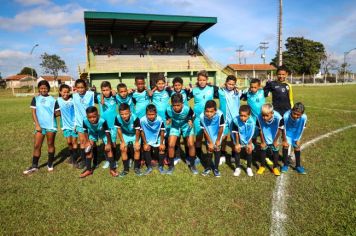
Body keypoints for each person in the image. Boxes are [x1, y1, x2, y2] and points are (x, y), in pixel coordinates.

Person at [23, 80, 60, 174]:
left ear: (48, 88)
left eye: (45, 88)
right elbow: (33, 113)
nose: (43, 90)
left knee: (50, 144)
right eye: (41, 88)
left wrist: (58, 112)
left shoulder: (53, 100)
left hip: (51, 126)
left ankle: (50, 164)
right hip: (40, 126)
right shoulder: (35, 99)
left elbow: (57, 113)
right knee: (36, 145)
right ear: (39, 89)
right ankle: (34, 166)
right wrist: (37, 125)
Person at [190, 70, 219, 167]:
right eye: (200, 80)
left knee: (209, 138)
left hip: (209, 118)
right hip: (198, 118)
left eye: (203, 80)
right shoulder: (194, 90)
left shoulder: (212, 89)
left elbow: (225, 91)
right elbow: (184, 98)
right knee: (198, 138)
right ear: (197, 80)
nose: (202, 82)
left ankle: (209, 157)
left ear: (207, 80)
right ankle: (198, 156)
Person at [80, 106, 118, 178]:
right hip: (93, 133)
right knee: (88, 149)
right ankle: (89, 170)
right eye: (90, 117)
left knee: (109, 149)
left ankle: (112, 169)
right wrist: (87, 141)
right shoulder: (85, 120)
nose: (92, 119)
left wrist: (108, 144)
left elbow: (107, 132)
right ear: (87, 116)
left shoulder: (102, 121)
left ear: (97, 114)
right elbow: (85, 131)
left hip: (103, 133)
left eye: (94, 117)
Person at [166, 93, 197, 174]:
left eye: (178, 105)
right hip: (175, 126)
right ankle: (171, 166)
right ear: (171, 104)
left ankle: (193, 165)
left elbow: (193, 115)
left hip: (186, 126)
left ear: (182, 104)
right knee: (171, 145)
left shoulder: (187, 109)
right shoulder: (169, 109)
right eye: (174, 105)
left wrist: (191, 120)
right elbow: (167, 116)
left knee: (191, 144)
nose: (176, 107)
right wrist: (168, 120)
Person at [72, 79, 95, 169]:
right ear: (75, 88)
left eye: (82, 87)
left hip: (89, 122)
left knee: (89, 142)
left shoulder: (91, 94)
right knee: (82, 142)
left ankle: (92, 159)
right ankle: (84, 160)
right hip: (79, 122)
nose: (80, 89)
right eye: (78, 88)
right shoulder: (73, 96)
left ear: (85, 87)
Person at [115, 103, 142, 177]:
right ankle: (126, 169)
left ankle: (136, 168)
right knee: (123, 148)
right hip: (125, 135)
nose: (124, 116)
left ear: (130, 112)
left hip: (134, 135)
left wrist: (136, 142)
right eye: (122, 114)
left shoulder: (135, 118)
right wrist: (123, 142)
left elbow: (137, 131)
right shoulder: (117, 118)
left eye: (126, 114)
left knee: (137, 148)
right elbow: (119, 130)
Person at [256, 103, 284, 176]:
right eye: (263, 115)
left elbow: (279, 130)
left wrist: (275, 141)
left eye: (266, 115)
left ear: (272, 113)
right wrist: (263, 141)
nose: (264, 117)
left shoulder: (279, 118)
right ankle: (262, 166)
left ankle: (275, 167)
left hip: (275, 136)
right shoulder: (259, 117)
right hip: (264, 135)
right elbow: (260, 130)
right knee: (263, 148)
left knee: (275, 150)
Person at [218, 75, 241, 160]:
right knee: (223, 137)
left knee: (233, 137)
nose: (231, 86)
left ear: (235, 85)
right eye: (229, 84)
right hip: (224, 118)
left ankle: (233, 154)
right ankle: (222, 154)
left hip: (234, 119)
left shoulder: (237, 93)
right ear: (226, 83)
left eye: (232, 84)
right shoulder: (221, 91)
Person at [200, 100, 225, 177]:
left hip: (217, 134)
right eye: (207, 111)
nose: (209, 114)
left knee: (217, 149)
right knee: (209, 150)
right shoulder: (202, 116)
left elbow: (221, 128)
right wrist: (210, 142)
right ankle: (208, 168)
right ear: (205, 110)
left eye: (211, 111)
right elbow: (204, 130)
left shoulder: (220, 115)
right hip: (209, 134)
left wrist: (218, 140)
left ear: (215, 110)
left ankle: (216, 169)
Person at [96, 81, 118, 169]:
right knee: (105, 144)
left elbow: (121, 94)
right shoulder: (99, 97)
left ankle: (115, 160)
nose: (105, 92)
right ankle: (108, 160)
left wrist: (114, 93)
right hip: (103, 125)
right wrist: (101, 97)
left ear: (110, 89)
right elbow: (99, 94)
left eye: (107, 90)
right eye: (103, 90)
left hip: (112, 125)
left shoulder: (114, 97)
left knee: (113, 143)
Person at [281, 102, 307, 174]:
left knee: (297, 147)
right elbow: (283, 128)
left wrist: (299, 139)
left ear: (302, 114)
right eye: (294, 113)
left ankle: (298, 166)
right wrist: (284, 139)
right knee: (286, 146)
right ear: (291, 111)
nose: (296, 116)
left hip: (296, 134)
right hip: (287, 133)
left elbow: (302, 128)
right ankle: (285, 165)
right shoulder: (286, 116)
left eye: (298, 115)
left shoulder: (304, 118)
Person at [140, 104, 166, 175]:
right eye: (149, 114)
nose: (151, 116)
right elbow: (141, 132)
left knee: (161, 148)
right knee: (146, 148)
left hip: (158, 137)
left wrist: (161, 143)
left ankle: (161, 166)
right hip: (148, 137)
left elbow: (162, 131)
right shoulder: (142, 120)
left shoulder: (160, 120)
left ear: (156, 113)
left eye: (153, 114)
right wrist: (145, 143)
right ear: (146, 114)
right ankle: (149, 167)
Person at [57, 84, 78, 167]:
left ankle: (74, 159)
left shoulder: (73, 100)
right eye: (63, 92)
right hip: (65, 125)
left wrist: (76, 123)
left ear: (69, 92)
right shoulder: (58, 100)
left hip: (74, 124)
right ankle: (72, 156)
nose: (65, 94)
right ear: (60, 92)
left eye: (67, 92)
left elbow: (77, 111)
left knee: (74, 142)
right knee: (69, 142)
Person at [231, 105, 256, 177]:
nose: (242, 118)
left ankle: (248, 167)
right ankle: (237, 167)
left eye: (245, 116)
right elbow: (236, 133)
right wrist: (237, 143)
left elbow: (250, 134)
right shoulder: (235, 120)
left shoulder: (252, 122)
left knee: (249, 150)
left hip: (247, 138)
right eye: (241, 115)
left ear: (249, 115)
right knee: (237, 149)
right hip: (238, 138)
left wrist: (249, 144)